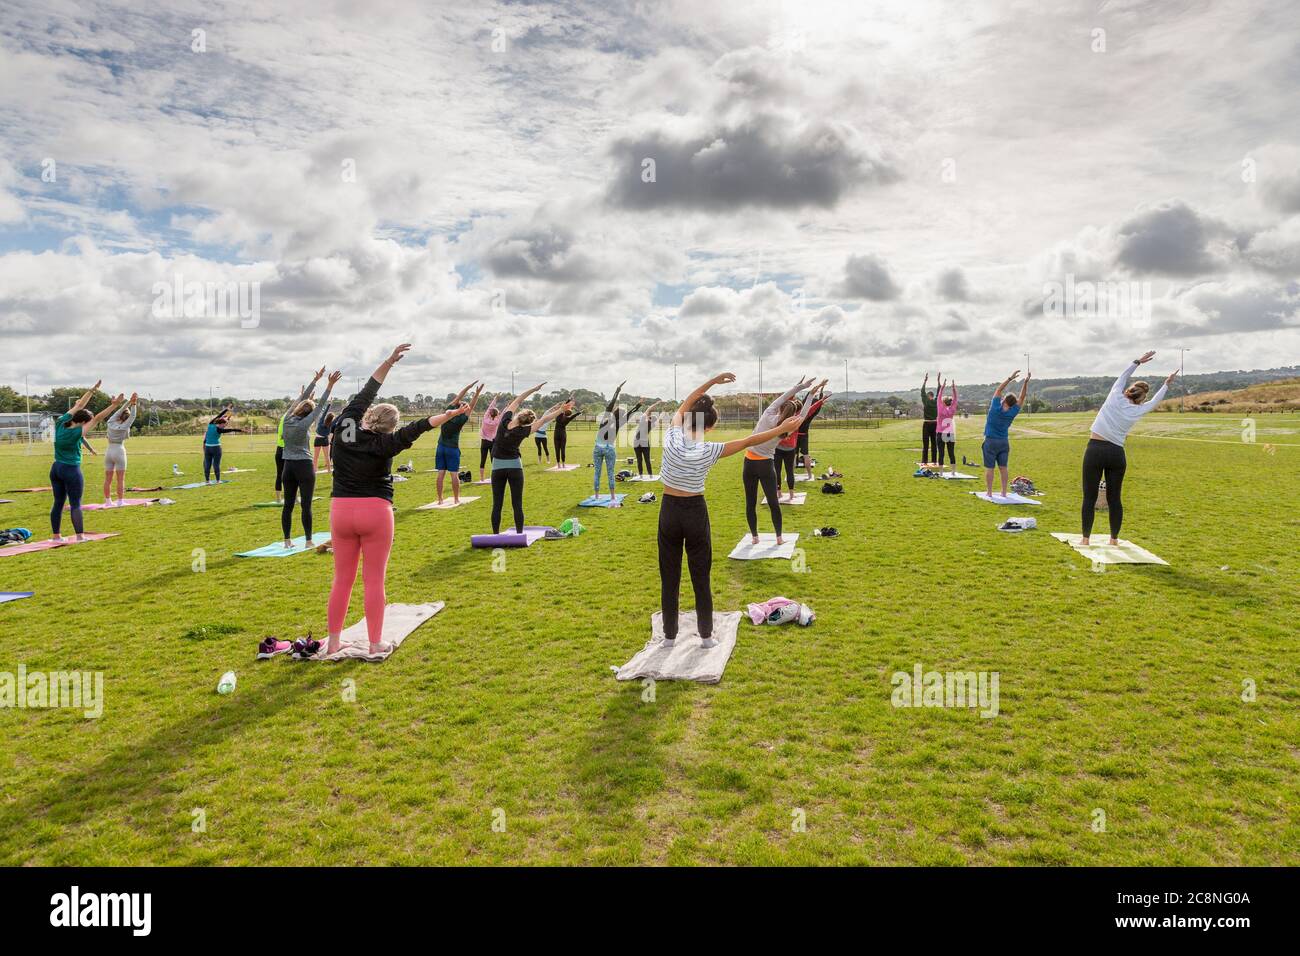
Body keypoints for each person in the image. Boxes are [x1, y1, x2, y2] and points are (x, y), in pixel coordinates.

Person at [325, 344, 470, 656]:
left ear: (369, 413)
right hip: (375, 511)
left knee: (342, 580)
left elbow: (370, 387)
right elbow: (416, 428)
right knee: (374, 580)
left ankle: (334, 642)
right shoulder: (386, 443)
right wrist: (448, 415)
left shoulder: (347, 421)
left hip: (340, 510)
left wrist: (389, 361)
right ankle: (375, 643)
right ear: (389, 426)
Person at [658, 373, 803, 647]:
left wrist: (713, 381)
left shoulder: (672, 436)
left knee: (670, 575)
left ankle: (669, 637)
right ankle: (706, 638)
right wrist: (782, 428)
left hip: (668, 511)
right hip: (694, 511)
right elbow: (750, 441)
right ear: (710, 428)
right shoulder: (710, 449)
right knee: (700, 574)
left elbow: (687, 401)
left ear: (689, 418)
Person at [1081, 352, 1177, 545]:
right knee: (1114, 499)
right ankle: (1114, 540)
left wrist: (1137, 362)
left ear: (1129, 390)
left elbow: (1122, 376)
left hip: (1096, 449)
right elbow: (1155, 402)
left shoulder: (1115, 395)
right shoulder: (1138, 409)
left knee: (1089, 497)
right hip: (1116, 454)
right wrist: (1166, 384)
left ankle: (1085, 540)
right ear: (1141, 398)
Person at [743, 376, 814, 545]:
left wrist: (800, 386)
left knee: (750, 502)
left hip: (749, 463)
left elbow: (783, 396)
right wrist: (810, 395)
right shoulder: (788, 428)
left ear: (781, 408)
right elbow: (804, 413)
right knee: (774, 503)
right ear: (793, 414)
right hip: (766, 465)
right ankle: (779, 538)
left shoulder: (768, 413)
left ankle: (754, 537)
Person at [50, 382, 125, 541]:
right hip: (70, 470)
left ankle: (56, 536)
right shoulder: (77, 432)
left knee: (58, 503)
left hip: (56, 468)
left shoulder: (61, 422)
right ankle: (80, 536)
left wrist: (92, 390)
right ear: (84, 422)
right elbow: (98, 417)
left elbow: (80, 404)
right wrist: (115, 406)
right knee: (75, 504)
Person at [489, 385, 568, 532]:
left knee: (497, 504)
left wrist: (533, 389)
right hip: (515, 467)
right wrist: (561, 410)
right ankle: (519, 534)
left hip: (497, 467)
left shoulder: (504, 421)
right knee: (517, 504)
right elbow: (545, 419)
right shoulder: (525, 430)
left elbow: (518, 400)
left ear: (519, 415)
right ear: (527, 422)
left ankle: (495, 535)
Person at [280, 367, 339, 549]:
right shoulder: (306, 423)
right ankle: (308, 541)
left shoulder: (288, 418)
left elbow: (300, 399)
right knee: (306, 505)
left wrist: (315, 380)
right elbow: (320, 405)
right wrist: (329, 385)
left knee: (288, 505)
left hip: (288, 467)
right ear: (310, 415)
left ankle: (287, 541)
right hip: (304, 466)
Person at [775, 381, 828, 500]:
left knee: (777, 472)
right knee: (790, 472)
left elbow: (783, 400)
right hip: (790, 448)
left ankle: (778, 493)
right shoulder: (798, 419)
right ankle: (792, 494)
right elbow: (809, 409)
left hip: (778, 448)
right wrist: (820, 400)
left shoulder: (780, 417)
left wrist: (798, 387)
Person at [435, 381, 483, 505]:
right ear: (463, 409)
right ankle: (456, 499)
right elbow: (471, 405)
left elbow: (459, 397)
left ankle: (440, 499)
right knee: (454, 475)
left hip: (440, 447)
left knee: (440, 474)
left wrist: (468, 387)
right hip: (452, 448)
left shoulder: (449, 411)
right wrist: (477, 393)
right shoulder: (462, 418)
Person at [593, 381, 641, 503]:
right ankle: (613, 496)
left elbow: (611, 404)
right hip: (609, 449)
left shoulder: (606, 417)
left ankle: (597, 495)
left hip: (598, 447)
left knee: (597, 472)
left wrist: (617, 390)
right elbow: (630, 413)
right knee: (610, 472)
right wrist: (638, 405)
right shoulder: (620, 423)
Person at [983, 369, 1029, 497]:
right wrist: (1025, 382)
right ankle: (1003, 493)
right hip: (1004, 442)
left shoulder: (995, 407)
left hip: (990, 441)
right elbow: (1022, 397)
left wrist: (1010, 378)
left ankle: (989, 492)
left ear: (1003, 400)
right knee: (1003, 468)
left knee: (990, 468)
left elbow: (998, 390)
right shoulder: (1012, 412)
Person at [100, 392, 138, 505]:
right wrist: (134, 404)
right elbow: (133, 416)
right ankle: (120, 501)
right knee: (120, 479)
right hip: (119, 450)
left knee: (108, 479)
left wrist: (129, 402)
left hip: (109, 451)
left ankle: (108, 501)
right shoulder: (125, 426)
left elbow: (120, 409)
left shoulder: (110, 422)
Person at [203, 405, 246, 482]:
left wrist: (226, 409)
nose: (225, 426)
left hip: (207, 448)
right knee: (216, 465)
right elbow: (231, 429)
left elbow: (219, 415)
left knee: (207, 464)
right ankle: (218, 480)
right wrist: (241, 430)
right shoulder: (220, 430)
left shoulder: (211, 424)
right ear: (221, 424)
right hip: (216, 448)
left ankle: (207, 481)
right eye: (224, 424)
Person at [631, 402, 661, 476]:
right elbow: (649, 413)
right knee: (647, 460)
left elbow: (648, 410)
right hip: (644, 442)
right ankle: (650, 475)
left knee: (639, 460)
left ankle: (641, 475)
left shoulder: (643, 420)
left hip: (637, 441)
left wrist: (657, 403)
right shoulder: (652, 424)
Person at [935, 377, 957, 475]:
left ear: (943, 403)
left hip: (940, 433)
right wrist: (953, 388)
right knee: (951, 453)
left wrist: (943, 386)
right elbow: (955, 398)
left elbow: (939, 395)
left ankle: (941, 473)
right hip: (950, 433)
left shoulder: (940, 409)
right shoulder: (952, 409)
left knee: (941, 453)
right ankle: (953, 472)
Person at [478, 395, 501, 482]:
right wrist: (507, 407)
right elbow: (502, 414)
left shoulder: (485, 419)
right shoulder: (496, 421)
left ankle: (482, 479)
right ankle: (494, 477)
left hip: (484, 442)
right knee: (493, 460)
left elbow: (489, 408)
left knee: (482, 460)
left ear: (489, 413)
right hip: (492, 442)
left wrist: (495, 399)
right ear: (496, 415)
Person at [553, 398, 581, 467]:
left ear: (565, 412)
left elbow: (563, 406)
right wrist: (579, 412)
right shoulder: (568, 418)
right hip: (563, 434)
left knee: (557, 449)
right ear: (569, 414)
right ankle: (563, 464)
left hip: (556, 434)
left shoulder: (559, 416)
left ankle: (558, 464)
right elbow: (574, 415)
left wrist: (568, 400)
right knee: (563, 449)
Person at [920, 372, 940, 466]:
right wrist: (939, 381)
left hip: (927, 424)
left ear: (928, 396)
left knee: (925, 444)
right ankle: (934, 461)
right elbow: (939, 392)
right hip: (935, 424)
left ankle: (924, 461)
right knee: (934, 444)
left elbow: (922, 391)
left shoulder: (926, 402)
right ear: (933, 396)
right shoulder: (936, 402)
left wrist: (925, 381)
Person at [313, 401, 337, 472]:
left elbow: (324, 413)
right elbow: (337, 419)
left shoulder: (321, 421)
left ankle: (314, 470)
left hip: (317, 440)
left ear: (327, 417)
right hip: (325, 440)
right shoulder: (331, 424)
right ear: (332, 419)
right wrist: (343, 413)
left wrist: (329, 404)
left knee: (315, 457)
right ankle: (329, 470)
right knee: (327, 457)